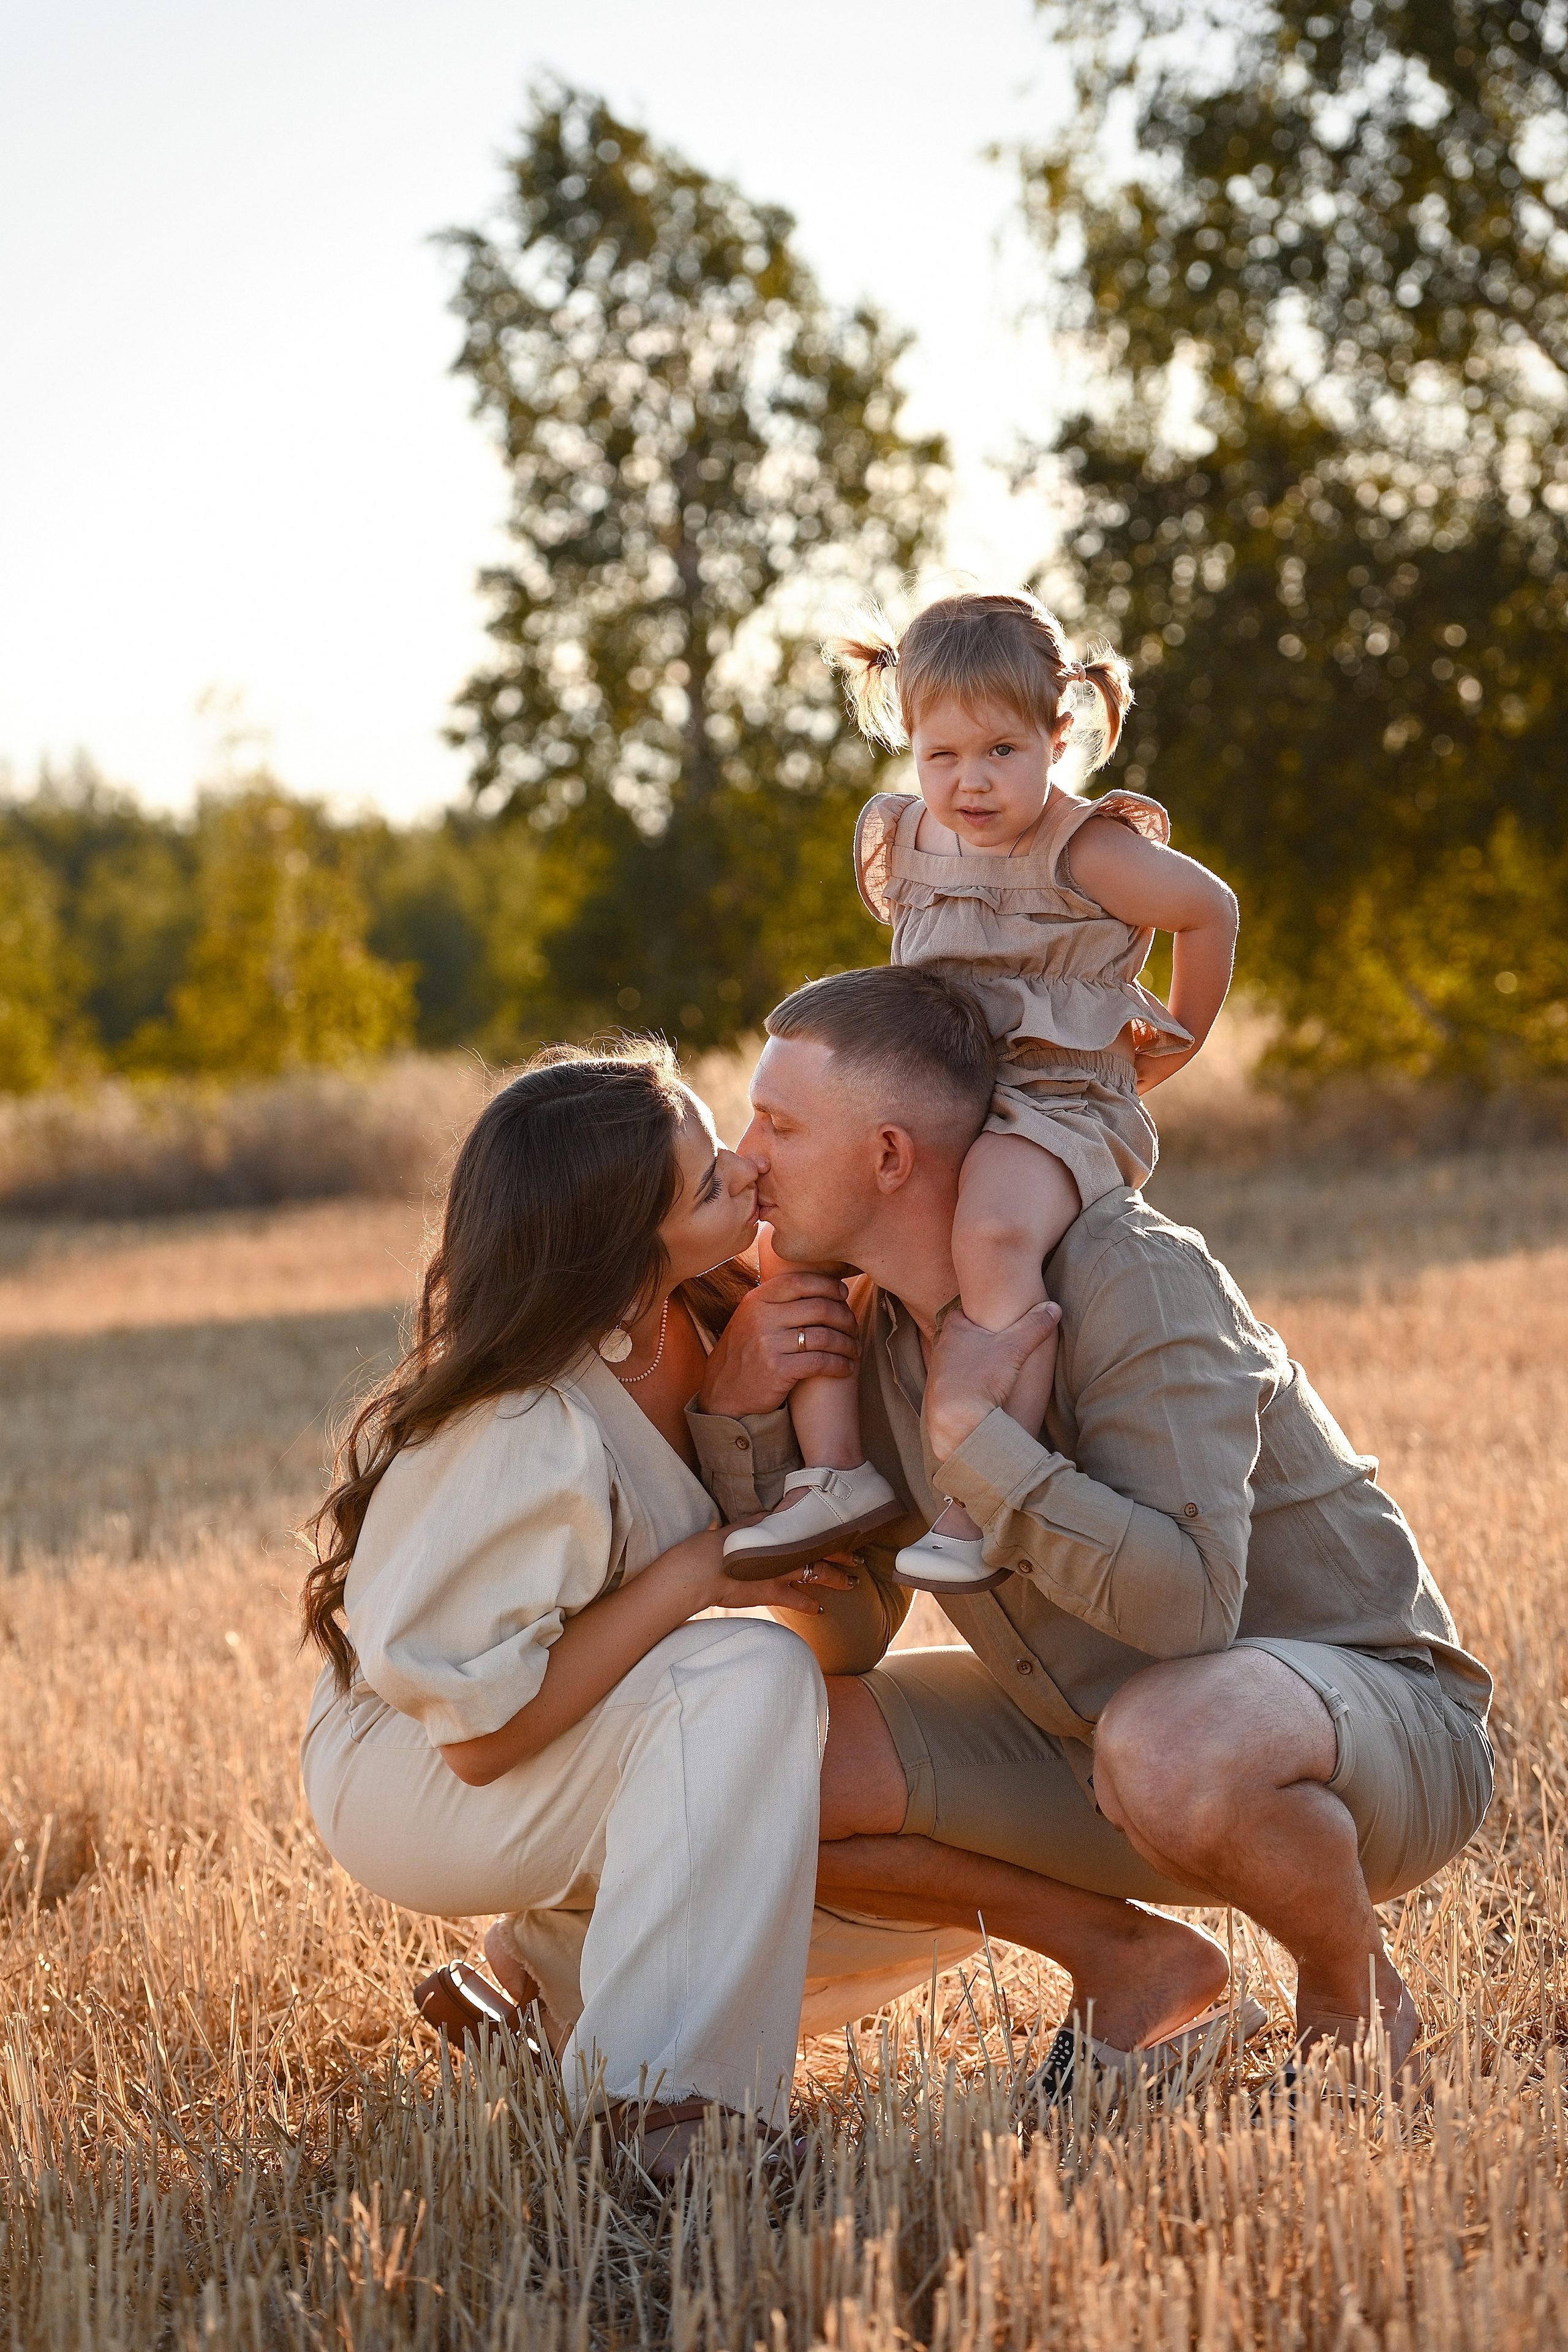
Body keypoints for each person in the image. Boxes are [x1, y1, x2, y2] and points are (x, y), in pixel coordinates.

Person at [692, 966, 1494, 2077]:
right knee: (755, 1759)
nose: (745, 1159)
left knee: (1171, 1739)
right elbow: (850, 1633)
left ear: (888, 1156)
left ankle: (1355, 2003)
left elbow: (1185, 1612)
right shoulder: (869, 1332)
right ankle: (1129, 1963)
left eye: (776, 1123)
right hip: (1093, 1740)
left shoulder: (1130, 1274)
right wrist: (741, 1425)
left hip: (1366, 1730)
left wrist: (979, 1440)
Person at [299, 1042, 879, 2179]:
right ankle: (658, 2117)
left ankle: (548, 1999)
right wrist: (696, 1576)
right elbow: (481, 1739)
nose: (745, 1173)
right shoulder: (524, 1426)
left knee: (799, 1731)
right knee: (749, 1678)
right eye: (710, 1183)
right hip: (418, 1767)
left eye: (719, 1146)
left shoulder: (705, 1311)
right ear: (622, 1267)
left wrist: (736, 1412)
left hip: (565, 1714)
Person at [721, 589, 1238, 1596]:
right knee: (793, 1232)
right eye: (941, 756)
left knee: (992, 1236)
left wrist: (1180, 1039)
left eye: (1002, 751)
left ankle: (985, 1490)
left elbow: (1208, 908)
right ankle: (834, 1471)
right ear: (908, 742)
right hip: (943, 1089)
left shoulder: (1086, 849)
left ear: (1060, 732)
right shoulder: (907, 840)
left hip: (1049, 1101)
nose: (970, 782)